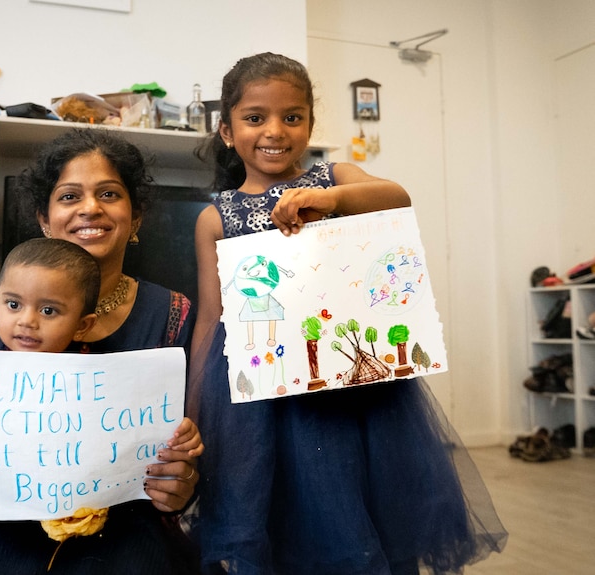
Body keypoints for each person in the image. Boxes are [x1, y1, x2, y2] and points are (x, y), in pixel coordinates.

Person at [188, 52, 507, 575]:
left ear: (310, 124)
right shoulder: (215, 219)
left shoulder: (333, 176)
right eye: (254, 118)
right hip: (260, 410)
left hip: (357, 395)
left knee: (367, 514)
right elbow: (210, 319)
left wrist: (331, 198)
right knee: (282, 518)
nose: (275, 130)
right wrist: (197, 411)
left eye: (292, 117)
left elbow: (397, 197)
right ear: (227, 130)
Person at [0, 129, 202, 575]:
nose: (90, 208)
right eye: (69, 196)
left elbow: (191, 453)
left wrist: (184, 483)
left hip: (123, 546)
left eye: (109, 193)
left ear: (135, 217)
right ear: (45, 218)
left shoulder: (173, 315)